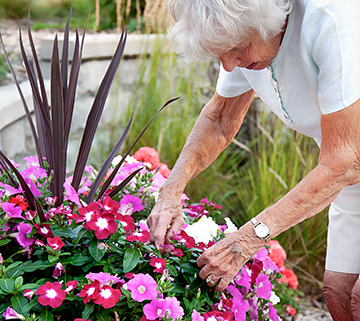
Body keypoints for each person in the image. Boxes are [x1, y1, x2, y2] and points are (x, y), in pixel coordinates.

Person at [146, 0, 360, 319]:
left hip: (346, 162)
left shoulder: (330, 19)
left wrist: (249, 239)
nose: (229, 65)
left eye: (236, 48)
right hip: (349, 169)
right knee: (339, 292)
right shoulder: (247, 45)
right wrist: (171, 190)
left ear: (268, 23)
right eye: (220, 52)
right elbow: (220, 119)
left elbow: (345, 160)